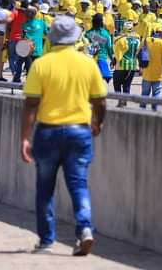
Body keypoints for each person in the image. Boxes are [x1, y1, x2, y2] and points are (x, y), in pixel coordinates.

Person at [20, 15, 107, 256]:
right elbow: (100, 101)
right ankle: (85, 229)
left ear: (52, 38)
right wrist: (97, 123)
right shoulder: (87, 63)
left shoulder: (41, 64)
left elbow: (31, 105)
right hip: (79, 131)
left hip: (47, 132)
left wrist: (24, 138)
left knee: (45, 188)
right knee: (79, 185)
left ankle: (47, 240)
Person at [111, 21, 141, 101]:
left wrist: (113, 62)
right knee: (127, 86)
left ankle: (120, 101)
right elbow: (138, 53)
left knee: (117, 85)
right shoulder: (137, 40)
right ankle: (125, 102)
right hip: (133, 66)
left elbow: (117, 55)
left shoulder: (121, 40)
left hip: (121, 66)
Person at [140, 26, 162, 110]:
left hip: (146, 73)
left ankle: (141, 112)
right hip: (158, 74)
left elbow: (139, 54)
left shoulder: (145, 41)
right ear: (161, 33)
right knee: (156, 95)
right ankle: (154, 112)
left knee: (144, 95)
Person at [84, 13, 113, 84]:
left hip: (90, 60)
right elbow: (109, 48)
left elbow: (84, 46)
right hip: (102, 59)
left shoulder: (88, 33)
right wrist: (112, 59)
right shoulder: (106, 33)